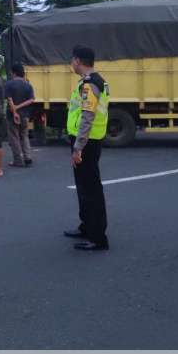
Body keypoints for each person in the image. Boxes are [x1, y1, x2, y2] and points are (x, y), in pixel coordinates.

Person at [63, 46, 111, 251]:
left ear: (78, 61)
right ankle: (86, 227)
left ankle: (98, 238)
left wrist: (78, 148)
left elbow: (87, 117)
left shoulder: (90, 85)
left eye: (72, 60)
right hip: (89, 141)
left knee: (91, 190)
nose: (71, 64)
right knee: (84, 187)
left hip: (87, 143)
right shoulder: (95, 81)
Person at [5, 63, 36, 168]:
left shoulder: (9, 84)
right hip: (25, 115)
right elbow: (31, 100)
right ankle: (28, 158)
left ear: (13, 72)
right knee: (24, 135)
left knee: (14, 137)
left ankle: (18, 160)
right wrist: (19, 107)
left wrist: (14, 112)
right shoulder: (28, 85)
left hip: (12, 115)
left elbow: (9, 99)